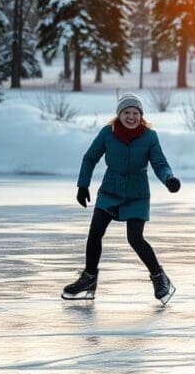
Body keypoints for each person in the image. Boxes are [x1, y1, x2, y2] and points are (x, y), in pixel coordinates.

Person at [62, 93, 181, 306]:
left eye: (135, 113)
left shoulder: (150, 136)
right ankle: (88, 278)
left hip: (137, 194)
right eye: (127, 112)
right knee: (95, 233)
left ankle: (159, 277)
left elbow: (160, 163)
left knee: (135, 238)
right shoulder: (108, 133)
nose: (131, 117)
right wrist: (83, 185)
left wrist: (169, 179)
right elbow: (90, 158)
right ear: (119, 115)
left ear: (141, 116)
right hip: (110, 191)